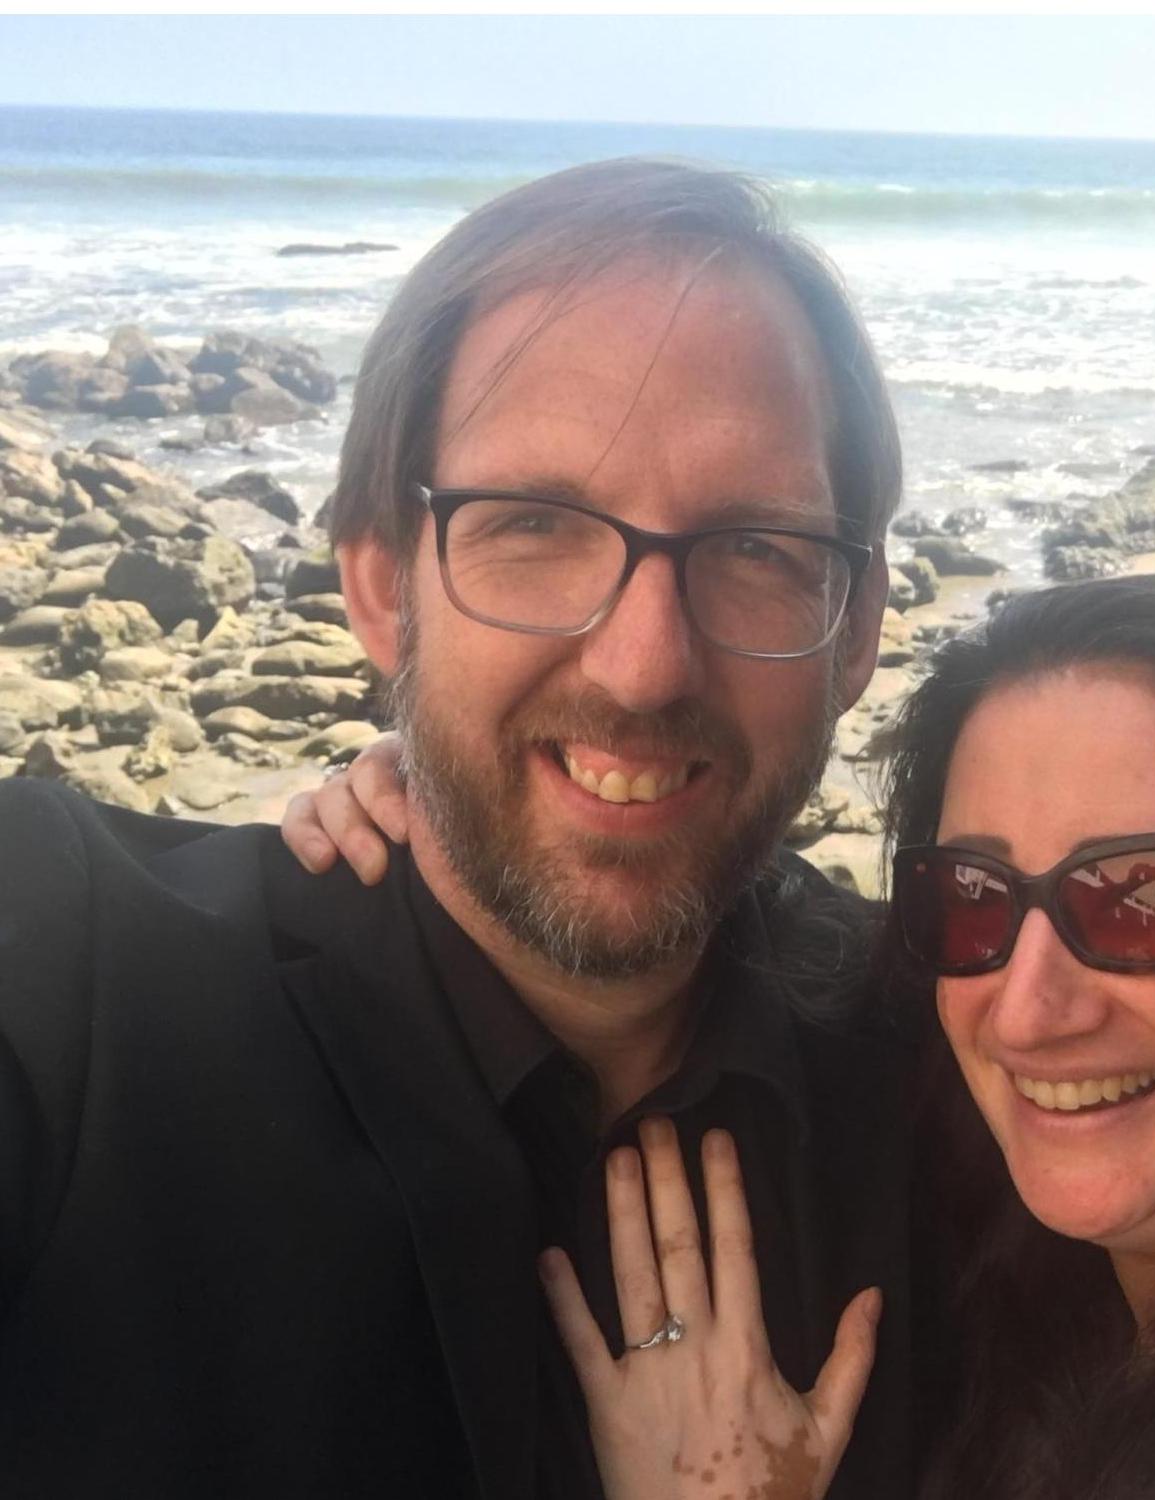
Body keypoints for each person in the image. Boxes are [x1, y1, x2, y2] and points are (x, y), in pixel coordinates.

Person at [0, 159, 916, 1499]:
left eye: (756, 546)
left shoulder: (975, 1076)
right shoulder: (74, 981)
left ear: (860, 632)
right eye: (533, 525)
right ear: (381, 588)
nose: (642, 668)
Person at [292, 573, 1155, 1499]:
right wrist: (483, 795)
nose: (1029, 1007)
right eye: (970, 898)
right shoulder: (1057, 1290)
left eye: (1148, 896)